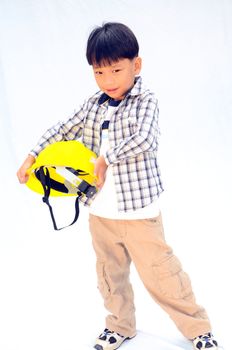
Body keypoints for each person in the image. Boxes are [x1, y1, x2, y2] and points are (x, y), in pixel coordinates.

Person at [17, 22, 218, 350]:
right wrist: (32, 155)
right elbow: (64, 127)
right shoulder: (93, 105)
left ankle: (199, 329)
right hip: (101, 211)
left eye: (116, 70)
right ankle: (120, 325)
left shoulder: (145, 101)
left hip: (140, 211)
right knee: (110, 276)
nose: (107, 80)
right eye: (99, 72)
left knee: (162, 276)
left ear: (136, 66)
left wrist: (106, 158)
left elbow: (144, 139)